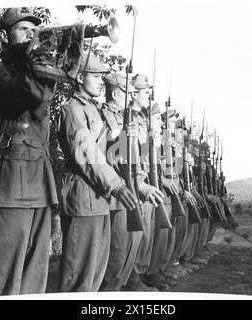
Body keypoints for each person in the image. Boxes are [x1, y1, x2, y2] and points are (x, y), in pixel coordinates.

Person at [0, 7, 59, 296]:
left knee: (34, 272)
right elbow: (27, 95)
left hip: (39, 179)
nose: (30, 33)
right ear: (5, 34)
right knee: (2, 274)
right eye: (22, 28)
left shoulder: (36, 70)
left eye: (32, 28)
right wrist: (37, 62)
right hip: (10, 184)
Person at [57, 54, 138, 292]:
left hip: (98, 198)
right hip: (82, 197)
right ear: (80, 77)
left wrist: (125, 138)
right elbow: (86, 151)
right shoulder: (72, 109)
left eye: (102, 76)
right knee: (77, 274)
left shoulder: (94, 110)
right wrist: (116, 184)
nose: (100, 81)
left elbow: (108, 153)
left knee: (94, 275)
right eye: (95, 75)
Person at [100, 73, 163, 291]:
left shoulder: (133, 119)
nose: (132, 96)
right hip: (121, 186)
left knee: (136, 239)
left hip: (137, 183)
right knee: (119, 246)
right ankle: (112, 291)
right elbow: (110, 154)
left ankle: (131, 281)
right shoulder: (106, 115)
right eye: (128, 92)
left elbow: (141, 155)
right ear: (116, 93)